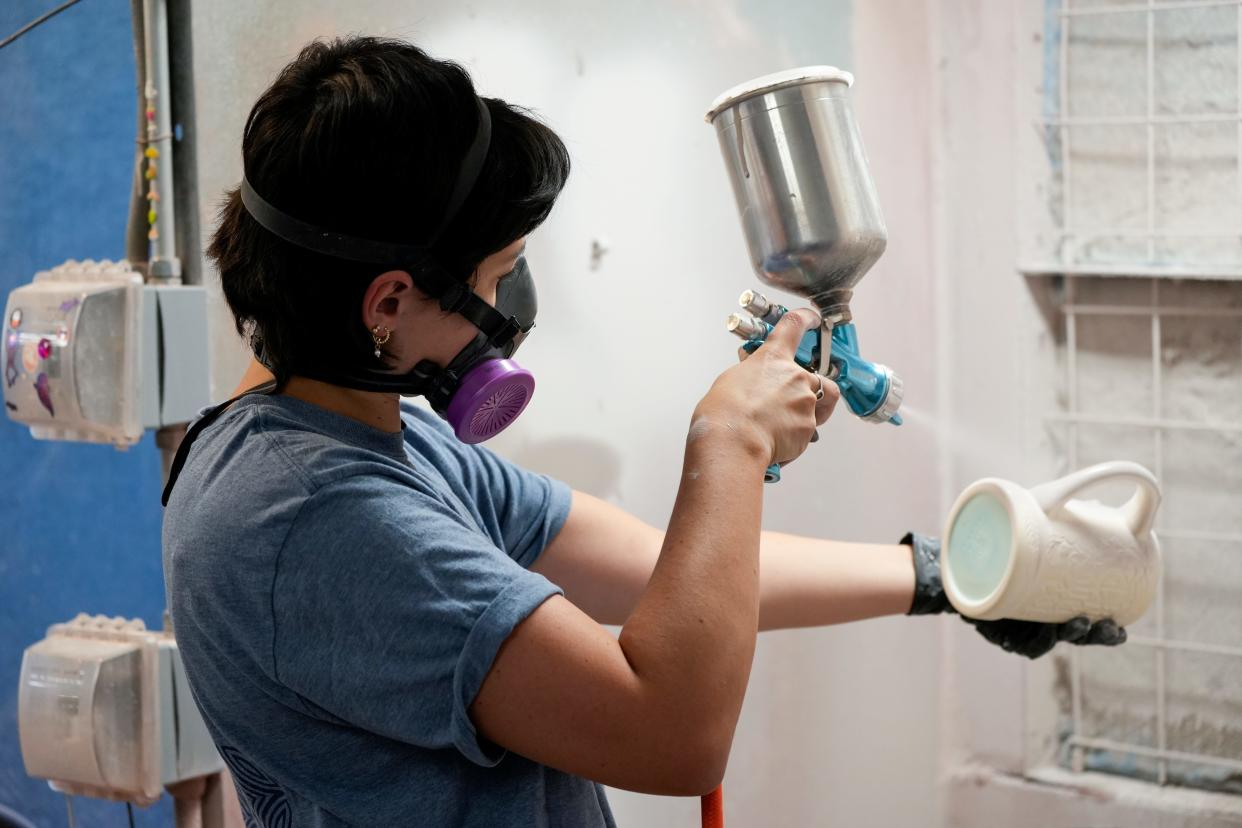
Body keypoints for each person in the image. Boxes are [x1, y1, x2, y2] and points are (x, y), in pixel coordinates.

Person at [162, 36, 1125, 828]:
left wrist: (939, 578)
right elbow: (670, 736)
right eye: (498, 277)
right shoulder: (319, 523)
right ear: (388, 303)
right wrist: (728, 448)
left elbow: (655, 570)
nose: (511, 307)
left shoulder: (359, 429)